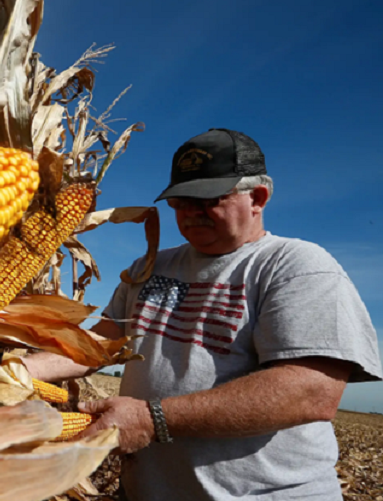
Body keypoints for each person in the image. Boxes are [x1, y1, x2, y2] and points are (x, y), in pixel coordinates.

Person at [22, 128, 383, 500]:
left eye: (208, 199)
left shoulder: (294, 266)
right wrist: (21, 373)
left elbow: (310, 391)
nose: (191, 213)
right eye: (180, 201)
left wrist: (152, 419)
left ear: (258, 197)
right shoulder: (150, 267)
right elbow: (98, 343)